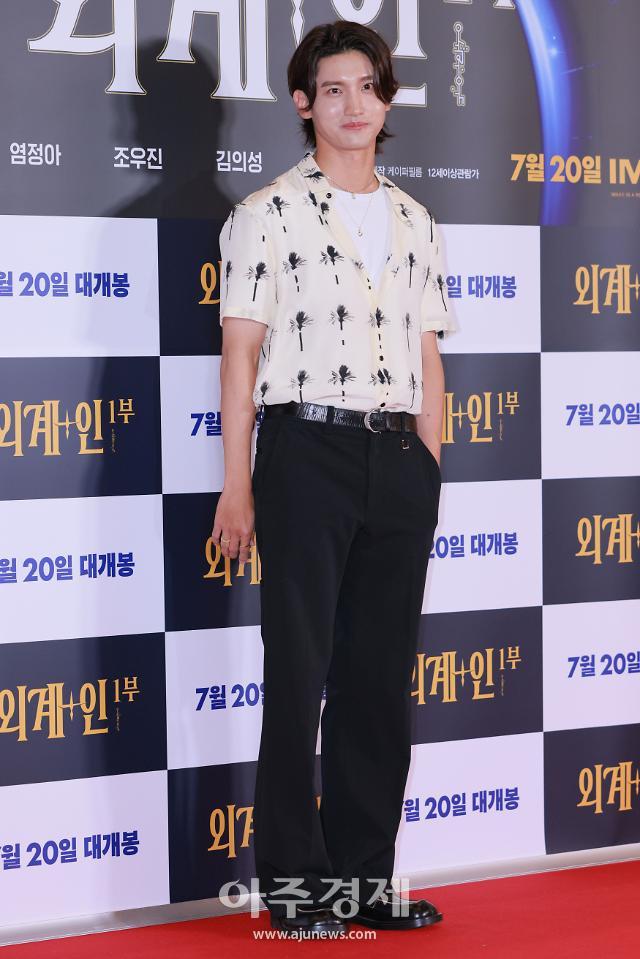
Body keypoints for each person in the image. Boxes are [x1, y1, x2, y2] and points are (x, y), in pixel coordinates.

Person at [212, 19, 457, 937]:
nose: (355, 104)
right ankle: (296, 889)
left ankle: (362, 882)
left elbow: (429, 354)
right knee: (299, 674)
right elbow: (240, 357)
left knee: (379, 681)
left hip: (399, 460)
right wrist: (237, 485)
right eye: (334, 89)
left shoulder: (416, 219)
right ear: (304, 103)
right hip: (305, 452)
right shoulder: (266, 213)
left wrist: (428, 463)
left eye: (369, 86)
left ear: (388, 99)